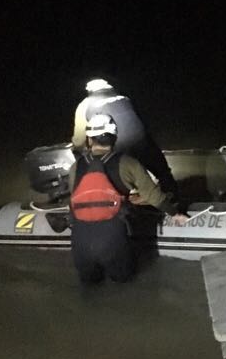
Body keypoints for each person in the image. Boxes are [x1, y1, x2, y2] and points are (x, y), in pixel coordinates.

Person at [69, 113, 188, 285]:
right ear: (114, 137)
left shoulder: (76, 166)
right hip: (112, 236)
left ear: (89, 139)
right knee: (124, 284)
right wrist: (175, 213)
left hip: (80, 239)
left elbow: (74, 200)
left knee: (89, 289)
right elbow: (154, 196)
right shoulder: (127, 163)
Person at [72, 78, 178, 196]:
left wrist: (77, 148)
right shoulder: (125, 99)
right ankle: (173, 196)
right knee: (162, 171)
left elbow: (79, 140)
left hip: (117, 148)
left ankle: (96, 192)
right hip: (143, 143)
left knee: (92, 160)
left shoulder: (85, 105)